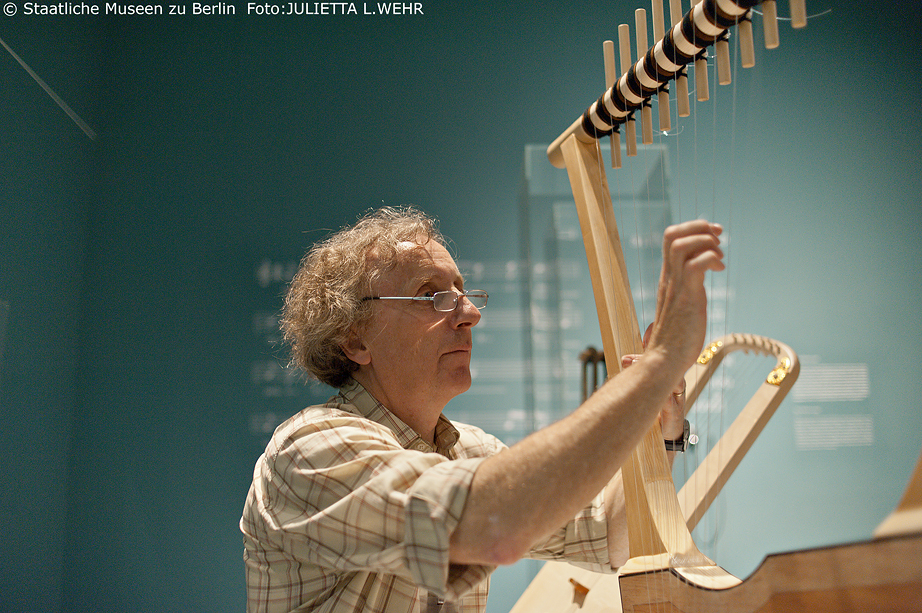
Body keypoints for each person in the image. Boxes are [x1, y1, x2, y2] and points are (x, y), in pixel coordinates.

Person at [240, 206, 724, 613]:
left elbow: (610, 537)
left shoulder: (469, 449)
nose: (470, 313)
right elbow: (492, 523)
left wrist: (661, 433)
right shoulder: (310, 449)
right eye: (432, 296)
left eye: (464, 293)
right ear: (354, 338)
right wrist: (653, 371)